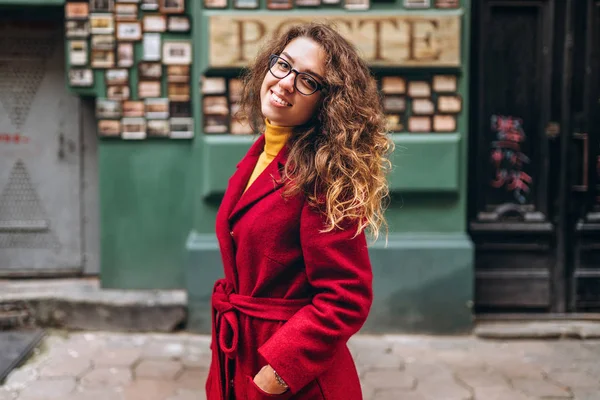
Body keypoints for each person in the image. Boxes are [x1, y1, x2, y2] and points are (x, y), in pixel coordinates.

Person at [206, 22, 393, 400]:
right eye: (283, 65)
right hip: (244, 356)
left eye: (308, 81)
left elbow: (346, 297)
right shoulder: (262, 153)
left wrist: (276, 374)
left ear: (326, 101)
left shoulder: (323, 175)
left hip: (294, 380)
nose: (286, 82)